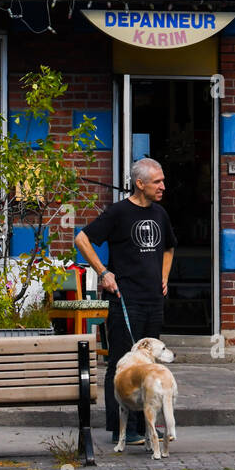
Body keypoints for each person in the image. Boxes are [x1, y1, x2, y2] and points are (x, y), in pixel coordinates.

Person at [75, 158, 176, 445]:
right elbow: (82, 239)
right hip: (123, 301)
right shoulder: (118, 212)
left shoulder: (160, 214)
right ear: (140, 183)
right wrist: (103, 272)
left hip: (152, 301)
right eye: (157, 181)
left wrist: (164, 277)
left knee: (148, 365)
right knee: (122, 363)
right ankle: (123, 428)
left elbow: (169, 247)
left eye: (163, 181)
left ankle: (145, 425)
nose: (162, 187)